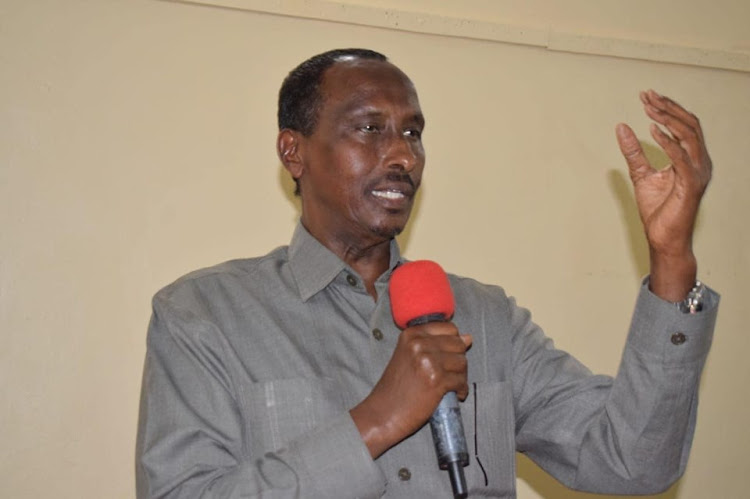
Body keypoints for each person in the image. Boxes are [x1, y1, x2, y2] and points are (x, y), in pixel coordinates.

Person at [136, 48, 719, 498]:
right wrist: (374, 423)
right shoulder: (201, 315)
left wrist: (671, 260)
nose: (404, 156)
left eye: (412, 133)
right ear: (295, 152)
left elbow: (632, 462)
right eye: (369, 129)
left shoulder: (486, 318)